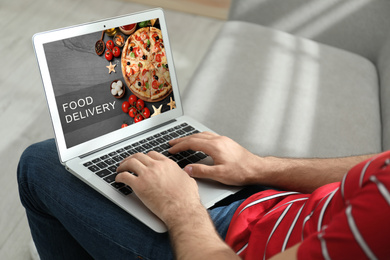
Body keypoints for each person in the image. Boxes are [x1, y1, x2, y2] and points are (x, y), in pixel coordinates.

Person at [17, 132, 390, 259]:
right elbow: (380, 167)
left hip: (226, 246)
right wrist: (258, 166)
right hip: (277, 207)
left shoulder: (380, 223)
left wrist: (181, 208)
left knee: (40, 164)